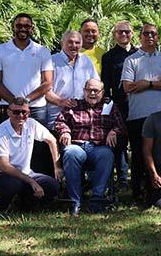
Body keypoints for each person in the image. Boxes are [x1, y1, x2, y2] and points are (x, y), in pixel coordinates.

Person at [121, 22, 161, 200]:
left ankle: (158, 190)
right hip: (138, 115)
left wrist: (147, 84)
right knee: (138, 154)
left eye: (153, 33)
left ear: (158, 37)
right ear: (140, 37)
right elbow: (127, 86)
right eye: (146, 34)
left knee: (159, 154)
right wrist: (156, 84)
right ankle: (137, 191)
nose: (150, 36)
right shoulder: (131, 60)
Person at [53, 77, 125, 215]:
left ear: (102, 92)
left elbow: (121, 126)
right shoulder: (74, 106)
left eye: (96, 91)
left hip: (99, 147)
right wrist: (65, 131)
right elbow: (59, 122)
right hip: (77, 145)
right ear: (84, 91)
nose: (92, 93)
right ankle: (75, 201)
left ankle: (97, 200)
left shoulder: (109, 107)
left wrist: (113, 131)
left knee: (107, 155)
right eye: (89, 90)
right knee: (70, 152)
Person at [0, 96, 61, 212]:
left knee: (52, 185)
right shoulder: (1, 131)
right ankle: (1, 208)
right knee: (14, 185)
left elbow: (51, 140)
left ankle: (25, 205)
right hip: (1, 175)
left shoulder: (32, 124)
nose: (21, 115)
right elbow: (4, 166)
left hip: (26, 174)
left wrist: (57, 167)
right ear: (8, 112)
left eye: (24, 112)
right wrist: (31, 181)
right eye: (16, 112)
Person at [0, 12, 53, 126]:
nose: (22, 29)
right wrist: (14, 102)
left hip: (36, 108)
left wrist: (26, 100)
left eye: (26, 26)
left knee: (37, 143)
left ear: (32, 28)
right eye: (19, 26)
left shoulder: (42, 51)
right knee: (9, 143)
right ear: (13, 27)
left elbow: (48, 82)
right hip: (9, 106)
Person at [100, 19, 136, 186]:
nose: (123, 34)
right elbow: (106, 84)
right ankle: (122, 179)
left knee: (138, 142)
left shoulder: (140, 54)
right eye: (120, 32)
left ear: (132, 34)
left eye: (127, 31)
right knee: (119, 143)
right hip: (118, 105)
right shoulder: (108, 57)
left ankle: (137, 178)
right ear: (114, 35)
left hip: (138, 104)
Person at [47, 29, 98, 129]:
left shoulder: (86, 60)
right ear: (62, 43)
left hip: (82, 118)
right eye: (70, 42)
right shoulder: (51, 61)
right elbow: (45, 90)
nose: (74, 45)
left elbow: (96, 84)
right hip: (57, 117)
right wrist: (60, 101)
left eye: (77, 42)